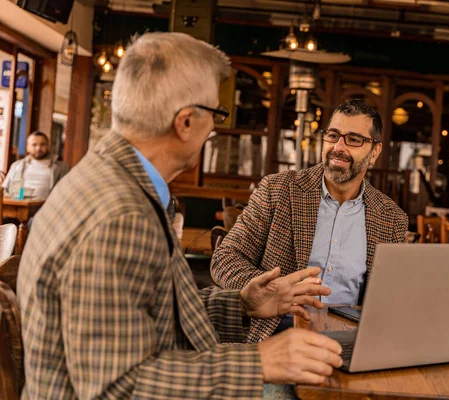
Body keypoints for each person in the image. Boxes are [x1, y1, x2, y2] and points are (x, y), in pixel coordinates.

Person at [17, 32, 343, 399]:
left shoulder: (108, 180)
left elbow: (146, 313)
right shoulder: (120, 215)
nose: (215, 128)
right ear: (185, 122)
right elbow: (118, 387)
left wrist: (241, 305)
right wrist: (259, 362)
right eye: (215, 114)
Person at [211, 99, 409, 343]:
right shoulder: (278, 190)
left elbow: (390, 299)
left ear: (375, 151)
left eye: (354, 139)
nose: (339, 147)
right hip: (278, 333)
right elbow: (225, 258)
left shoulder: (392, 219)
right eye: (333, 135)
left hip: (352, 341)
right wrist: (268, 291)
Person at [2, 131, 68, 199]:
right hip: (20, 206)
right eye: (34, 145)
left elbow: (66, 192)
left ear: (48, 146)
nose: (38, 148)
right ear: (27, 147)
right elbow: (4, 190)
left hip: (48, 207)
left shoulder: (62, 167)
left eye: (42, 144)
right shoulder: (16, 165)